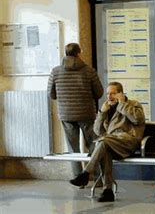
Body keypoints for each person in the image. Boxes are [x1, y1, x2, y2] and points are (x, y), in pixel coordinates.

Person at [69, 82, 146, 202]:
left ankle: (86, 173)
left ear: (120, 94)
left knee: (103, 142)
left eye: (113, 93)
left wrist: (122, 105)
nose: (109, 96)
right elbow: (98, 131)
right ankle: (107, 191)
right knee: (104, 148)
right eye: (108, 94)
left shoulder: (133, 104)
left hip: (127, 142)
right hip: (111, 143)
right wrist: (102, 113)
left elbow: (137, 119)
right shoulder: (108, 107)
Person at [47, 43, 104, 179]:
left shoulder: (55, 71)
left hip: (66, 114)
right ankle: (97, 177)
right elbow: (99, 92)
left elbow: (51, 94)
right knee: (92, 144)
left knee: (73, 148)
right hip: (87, 113)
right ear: (79, 53)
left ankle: (78, 178)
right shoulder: (89, 71)